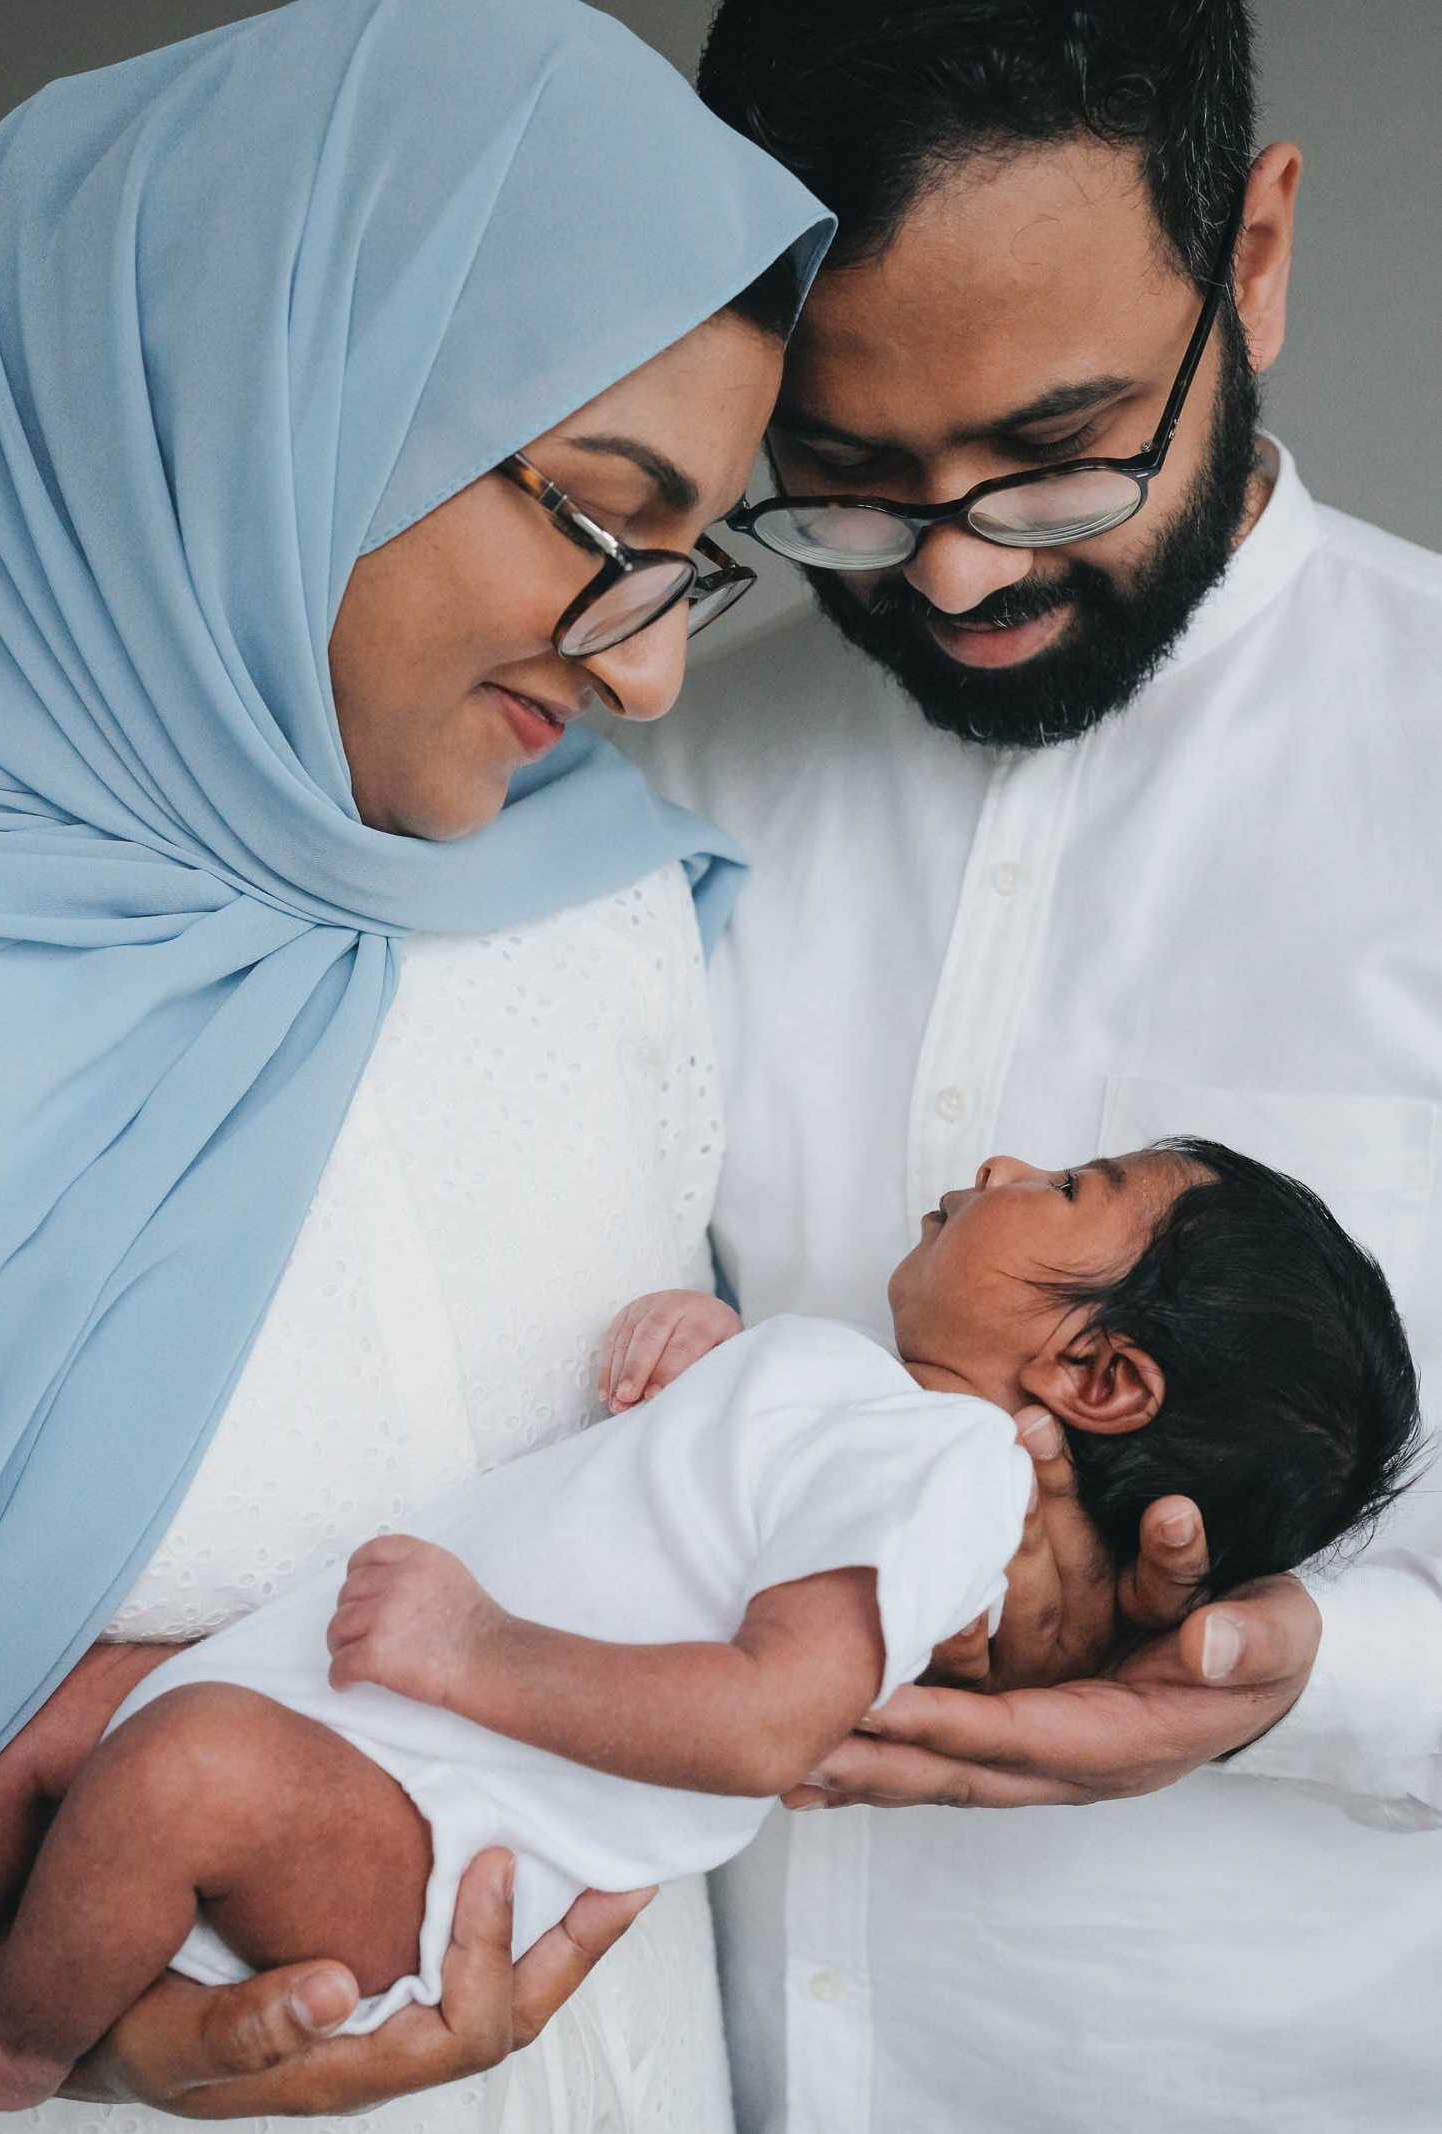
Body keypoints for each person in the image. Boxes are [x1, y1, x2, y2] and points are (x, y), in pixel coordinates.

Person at [0, 4, 833, 2133]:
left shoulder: (608, 915)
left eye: (693, 550)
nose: (652, 661)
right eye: (601, 520)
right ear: (265, 419)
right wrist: (85, 2007)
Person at [619, 1, 1442, 2128]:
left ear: (1249, 257)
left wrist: (1292, 1686)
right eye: (851, 485)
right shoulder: (647, 773)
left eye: (1057, 450)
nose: (962, 568)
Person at [0, 1139, 1419, 2118]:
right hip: (372, 1734)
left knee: (179, 1765)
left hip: (445, 1826)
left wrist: (474, 1650)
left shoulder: (946, 1472)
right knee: (81, 1703)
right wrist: (717, 1358)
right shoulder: (883, 1416)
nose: (996, 1168)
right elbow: (736, 1507)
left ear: (1102, 1376)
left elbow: (775, 1712)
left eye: (1071, 1183)